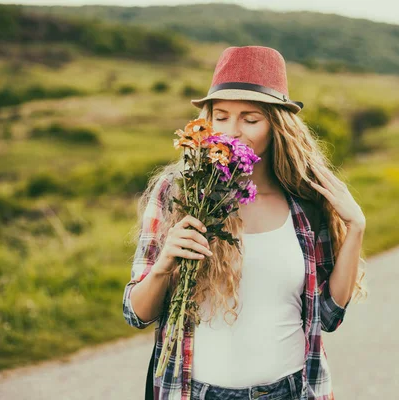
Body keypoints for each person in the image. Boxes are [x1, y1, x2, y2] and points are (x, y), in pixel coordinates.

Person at [123, 45, 368, 400]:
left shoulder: (306, 203)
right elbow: (136, 314)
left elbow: (329, 316)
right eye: (221, 116)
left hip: (291, 391)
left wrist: (356, 227)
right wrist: (163, 268)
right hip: (196, 393)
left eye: (250, 119)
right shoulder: (180, 191)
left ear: (277, 126)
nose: (232, 131)